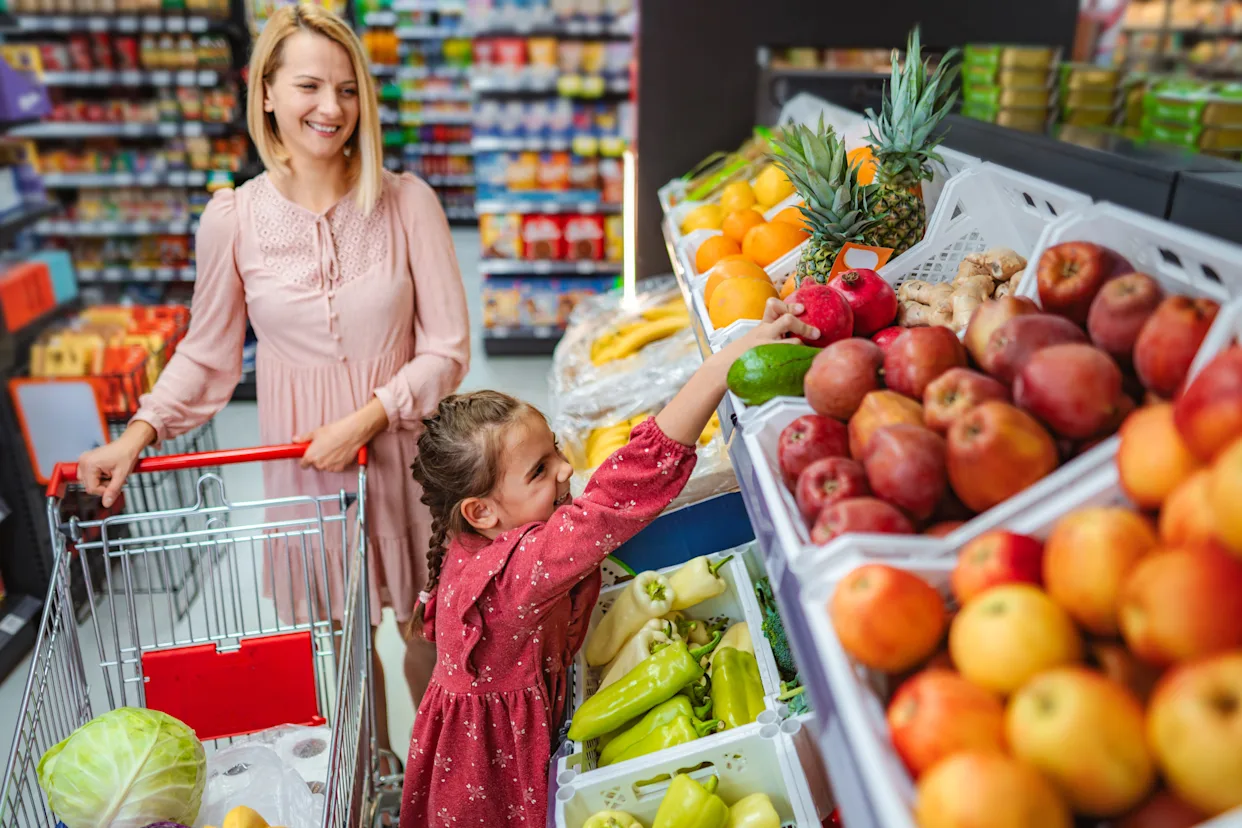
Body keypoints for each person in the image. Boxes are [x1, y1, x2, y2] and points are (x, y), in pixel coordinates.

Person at [74, 3, 469, 760]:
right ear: (266, 94)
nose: (332, 109)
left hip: (414, 460)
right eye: (310, 87)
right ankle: (379, 781)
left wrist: (367, 419)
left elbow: (447, 349)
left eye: (349, 90)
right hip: (308, 476)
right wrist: (138, 433)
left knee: (431, 632)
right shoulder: (234, 219)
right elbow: (207, 351)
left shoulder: (406, 201)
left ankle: (444, 775)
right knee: (347, 645)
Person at [400, 300, 817, 825]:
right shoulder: (515, 575)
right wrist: (718, 369)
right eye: (539, 469)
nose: (566, 468)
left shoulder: (481, 542)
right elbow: (606, 507)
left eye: (555, 448)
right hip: (490, 783)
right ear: (480, 511)